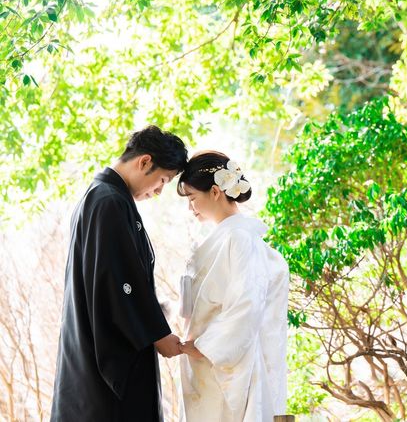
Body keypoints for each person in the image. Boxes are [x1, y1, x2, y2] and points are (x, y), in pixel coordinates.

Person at [51, 126, 189, 422]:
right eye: (163, 180)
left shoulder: (101, 195)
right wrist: (158, 334)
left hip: (88, 348)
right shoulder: (110, 202)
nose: (159, 192)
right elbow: (119, 281)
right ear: (144, 162)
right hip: (106, 361)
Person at [177, 151, 289, 422]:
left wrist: (204, 346)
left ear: (215, 192)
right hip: (208, 362)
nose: (190, 208)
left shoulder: (239, 238)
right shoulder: (227, 236)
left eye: (192, 198)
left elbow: (246, 305)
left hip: (226, 365)